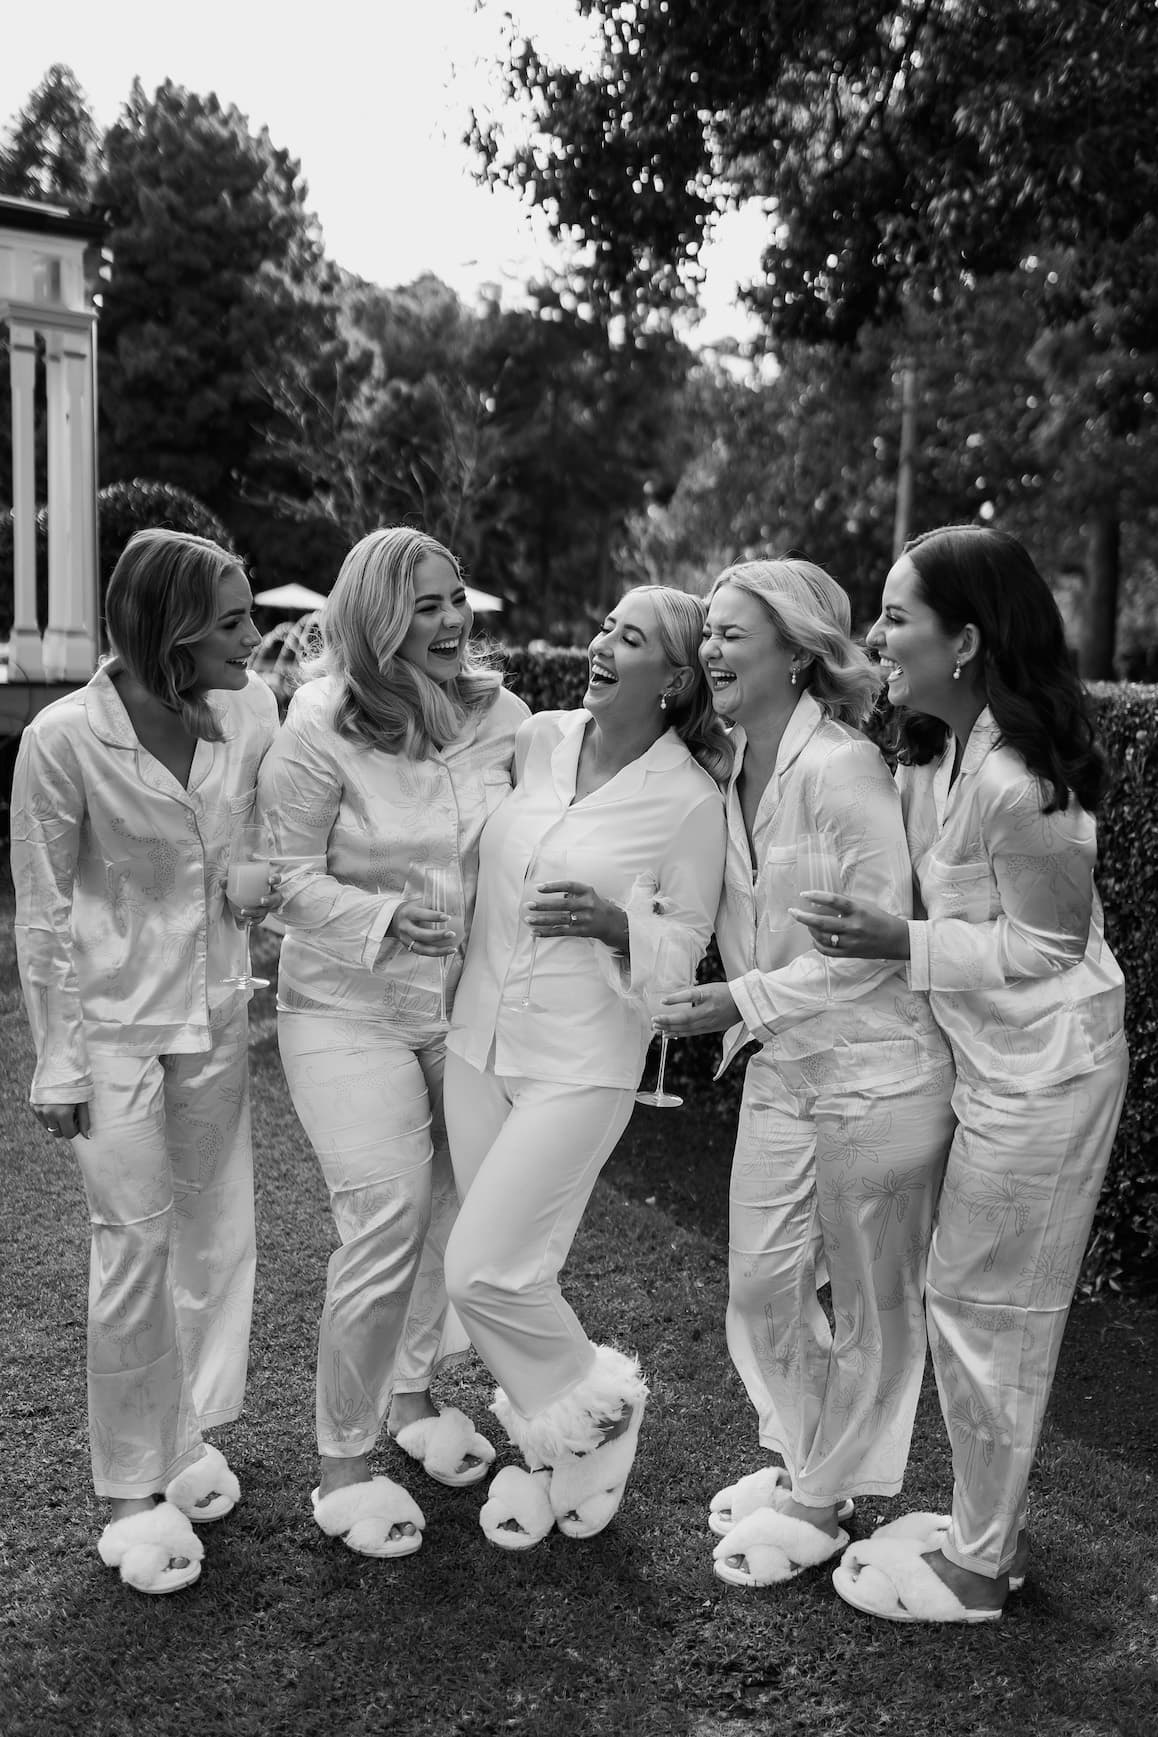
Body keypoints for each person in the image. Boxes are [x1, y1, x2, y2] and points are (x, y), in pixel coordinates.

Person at [788, 525, 1128, 1624]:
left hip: (1048, 1074)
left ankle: (980, 1568)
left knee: (992, 1310)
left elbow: (1049, 950)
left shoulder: (1026, 783)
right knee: (970, 1301)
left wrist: (903, 942)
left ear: (968, 639)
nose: (875, 636)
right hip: (989, 1062)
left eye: (895, 617)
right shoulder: (942, 745)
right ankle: (990, 1529)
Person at [656, 557, 956, 1591]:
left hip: (880, 1072)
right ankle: (800, 1455)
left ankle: (821, 1498)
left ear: (796, 649)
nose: (711, 651)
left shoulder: (843, 770)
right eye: (708, 635)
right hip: (788, 1067)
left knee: (874, 1305)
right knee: (762, 1282)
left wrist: (737, 1000)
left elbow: (877, 941)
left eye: (733, 635)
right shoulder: (729, 760)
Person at [10, 528, 279, 1594]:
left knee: (216, 1237)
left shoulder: (248, 713)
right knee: (133, 1246)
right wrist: (57, 1063)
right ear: (170, 629)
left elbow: (257, 837)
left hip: (214, 1015)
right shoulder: (63, 738)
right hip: (111, 1028)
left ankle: (184, 1437)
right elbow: (41, 913)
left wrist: (254, 879)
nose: (253, 639)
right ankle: (130, 1488)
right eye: (232, 623)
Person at [256, 526, 529, 1560]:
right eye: (426, 606)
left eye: (458, 598)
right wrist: (375, 918)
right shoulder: (319, 722)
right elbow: (278, 875)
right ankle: (343, 1464)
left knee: (454, 1220)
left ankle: (413, 1399)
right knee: (387, 1215)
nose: (453, 620)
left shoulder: (502, 715)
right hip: (341, 1011)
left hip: (463, 1012)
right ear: (377, 618)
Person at [441, 586, 729, 1549]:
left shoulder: (690, 798)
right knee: (519, 1268)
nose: (602, 642)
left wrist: (616, 923)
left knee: (480, 1270)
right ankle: (547, 1455)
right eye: (606, 624)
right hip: (478, 1040)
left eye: (631, 637)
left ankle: (606, 1413)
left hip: (580, 1060)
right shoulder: (540, 737)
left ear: (676, 679)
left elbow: (688, 948)